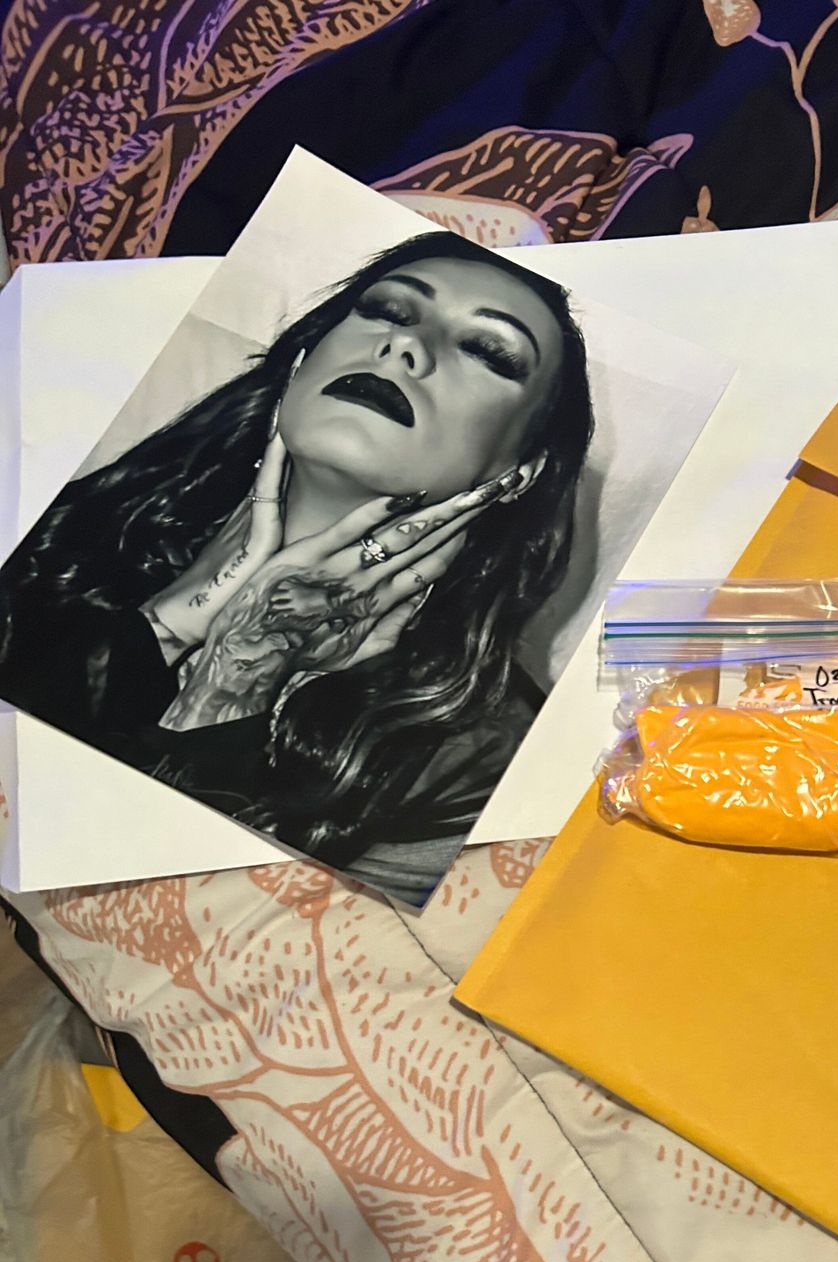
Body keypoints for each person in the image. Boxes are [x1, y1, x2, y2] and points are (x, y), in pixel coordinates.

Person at [0, 234, 594, 902]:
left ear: (520, 471)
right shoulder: (74, 527)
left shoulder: (479, 758)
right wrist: (165, 626)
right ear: (304, 362)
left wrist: (229, 689)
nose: (406, 346)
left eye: (487, 351)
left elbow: (147, 924)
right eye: (388, 311)